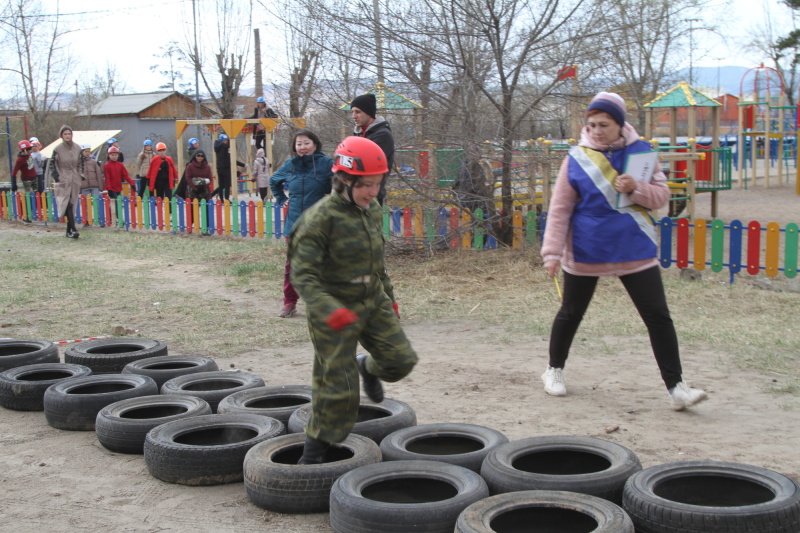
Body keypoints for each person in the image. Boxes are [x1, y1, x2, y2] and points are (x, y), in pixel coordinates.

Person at [539, 91, 708, 411]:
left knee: (658, 317)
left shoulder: (643, 153)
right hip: (587, 247)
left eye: (604, 124)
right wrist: (552, 253)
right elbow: (559, 209)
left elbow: (661, 199)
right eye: (591, 124)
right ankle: (553, 370)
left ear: (620, 124)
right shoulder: (576, 159)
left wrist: (636, 188)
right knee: (571, 313)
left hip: (634, 246)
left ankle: (677, 388)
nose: (597, 130)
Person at [288, 136, 417, 464]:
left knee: (400, 360)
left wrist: (390, 296)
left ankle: (368, 367)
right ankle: (314, 451)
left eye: (377, 183)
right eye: (366, 185)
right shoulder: (318, 220)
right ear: (344, 180)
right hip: (333, 307)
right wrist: (330, 309)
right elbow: (302, 276)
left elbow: (378, 260)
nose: (373, 192)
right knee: (338, 386)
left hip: (372, 299)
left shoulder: (371, 210)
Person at [269, 129, 333, 318]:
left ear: (315, 144)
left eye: (306, 143)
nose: (303, 147)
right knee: (293, 266)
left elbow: (342, 183)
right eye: (299, 144)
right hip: (294, 223)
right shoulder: (291, 164)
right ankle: (290, 303)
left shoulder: (326, 163)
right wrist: (282, 199)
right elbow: (274, 181)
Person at [350, 93, 395, 205]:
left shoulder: (382, 135)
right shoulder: (359, 133)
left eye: (358, 112)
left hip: (371, 196)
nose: (354, 116)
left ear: (369, 112)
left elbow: (365, 165)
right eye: (352, 112)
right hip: (356, 193)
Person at [50, 125, 83, 239]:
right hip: (63, 178)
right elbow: (52, 165)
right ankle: (73, 228)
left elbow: (81, 163)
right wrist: (57, 177)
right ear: (61, 136)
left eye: (69, 133)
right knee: (66, 203)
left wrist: (80, 175)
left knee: (72, 204)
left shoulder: (78, 148)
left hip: (75, 178)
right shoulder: (57, 149)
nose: (68, 136)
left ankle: (69, 231)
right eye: (65, 134)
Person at [213, 134, 246, 201]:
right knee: (227, 184)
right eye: (226, 140)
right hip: (226, 168)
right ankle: (226, 198)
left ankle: (221, 198)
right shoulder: (225, 148)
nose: (227, 142)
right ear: (223, 140)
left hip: (219, 167)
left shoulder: (217, 147)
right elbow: (231, 159)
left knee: (221, 185)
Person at [12, 140, 38, 223]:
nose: (31, 150)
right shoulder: (19, 160)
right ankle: (26, 216)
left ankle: (33, 213)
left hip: (34, 177)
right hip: (27, 180)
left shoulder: (29, 155)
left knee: (36, 196)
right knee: (29, 196)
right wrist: (14, 184)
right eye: (29, 149)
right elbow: (14, 172)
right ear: (25, 150)